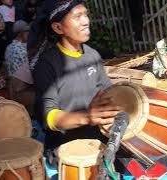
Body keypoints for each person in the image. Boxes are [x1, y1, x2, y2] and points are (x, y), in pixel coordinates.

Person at [31, 0, 121, 150]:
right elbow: (48, 116)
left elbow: (107, 92)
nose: (86, 21)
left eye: (85, 14)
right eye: (77, 16)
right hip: (65, 146)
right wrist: (87, 117)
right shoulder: (47, 63)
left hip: (97, 141)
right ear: (58, 28)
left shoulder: (92, 55)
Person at [5, 20, 35, 115]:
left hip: (13, 88)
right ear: (21, 33)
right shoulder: (20, 49)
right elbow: (30, 72)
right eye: (27, 32)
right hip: (22, 89)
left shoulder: (9, 46)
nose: (29, 35)